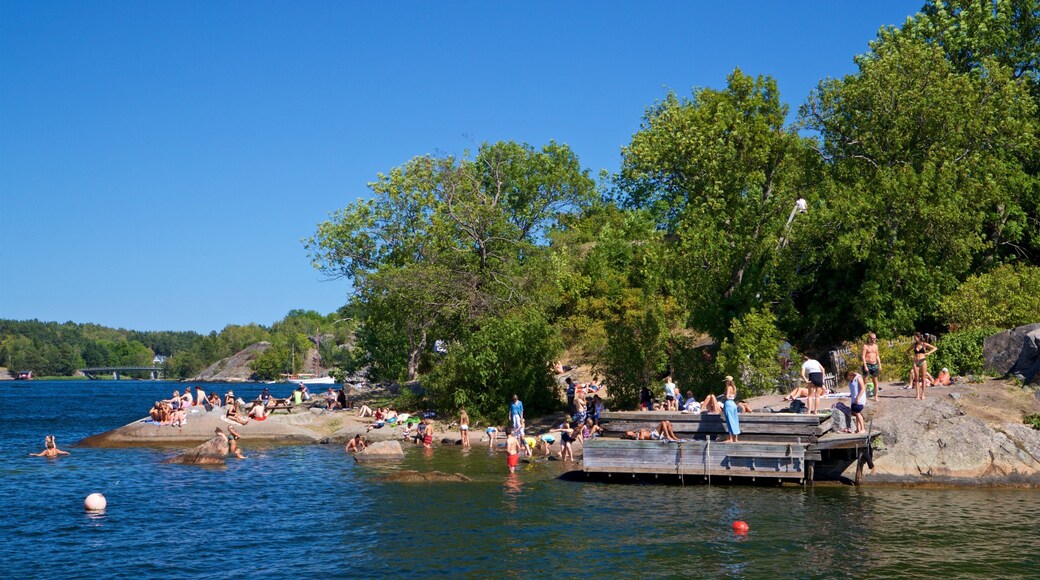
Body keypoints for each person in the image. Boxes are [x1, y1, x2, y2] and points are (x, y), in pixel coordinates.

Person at [911, 333, 938, 401]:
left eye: (915, 338)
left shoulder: (924, 344)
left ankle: (923, 394)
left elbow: (935, 348)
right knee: (916, 379)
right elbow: (907, 351)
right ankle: (917, 395)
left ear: (919, 337)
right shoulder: (914, 345)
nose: (914, 339)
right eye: (914, 338)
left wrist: (928, 353)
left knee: (923, 378)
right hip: (916, 361)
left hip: (923, 361)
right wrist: (911, 356)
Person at [861, 333, 882, 402]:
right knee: (865, 381)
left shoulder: (876, 346)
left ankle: (876, 396)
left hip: (874, 364)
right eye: (873, 339)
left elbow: (877, 355)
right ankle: (864, 396)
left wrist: (880, 365)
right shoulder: (865, 346)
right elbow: (863, 356)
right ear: (869, 339)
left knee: (875, 381)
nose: (874, 340)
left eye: (875, 338)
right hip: (867, 364)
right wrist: (865, 365)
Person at [846, 370, 866, 434]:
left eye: (847, 378)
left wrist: (858, 397)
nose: (847, 380)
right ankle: (858, 429)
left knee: (858, 412)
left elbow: (863, 388)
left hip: (859, 399)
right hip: (853, 399)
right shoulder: (851, 381)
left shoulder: (858, 378)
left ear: (850, 376)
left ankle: (863, 429)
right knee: (856, 413)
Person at [722, 376, 741, 443]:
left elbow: (727, 396)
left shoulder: (728, 388)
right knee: (735, 421)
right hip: (733, 404)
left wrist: (724, 397)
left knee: (729, 421)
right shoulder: (734, 387)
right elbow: (734, 396)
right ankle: (736, 438)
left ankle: (730, 439)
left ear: (727, 381)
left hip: (728, 404)